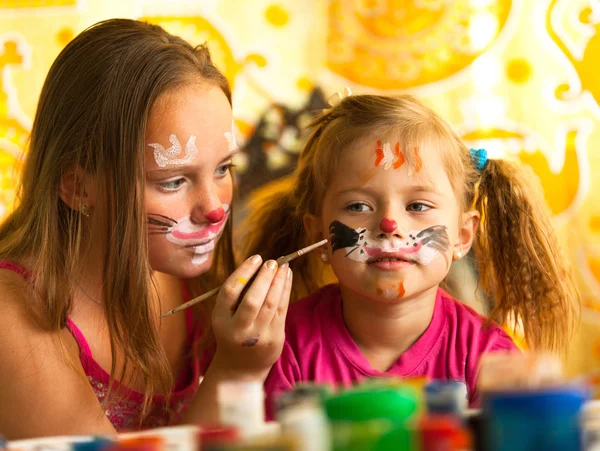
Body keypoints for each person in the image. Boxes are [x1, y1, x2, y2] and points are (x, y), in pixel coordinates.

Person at [0, 19, 292, 438]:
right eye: (173, 181)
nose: (214, 209)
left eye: (224, 168)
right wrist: (236, 372)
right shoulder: (16, 316)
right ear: (78, 185)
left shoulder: (193, 274)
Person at [243, 93, 580, 414]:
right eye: (358, 205)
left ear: (463, 236)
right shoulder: (281, 346)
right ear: (319, 234)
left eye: (418, 205)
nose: (390, 224)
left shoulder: (487, 359)